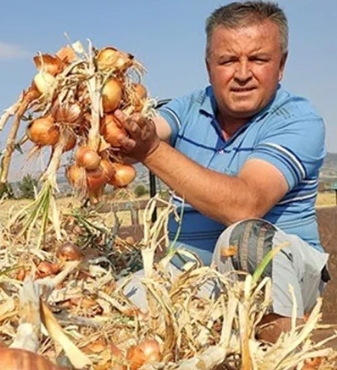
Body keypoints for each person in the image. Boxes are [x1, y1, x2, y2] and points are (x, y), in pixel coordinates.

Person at [113, 0, 330, 344]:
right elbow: (146, 129)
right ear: (209, 66)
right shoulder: (188, 106)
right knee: (112, 304)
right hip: (189, 278)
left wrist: (151, 150)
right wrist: (111, 128)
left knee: (244, 240)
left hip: (279, 274)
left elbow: (244, 205)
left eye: (258, 59)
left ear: (282, 65)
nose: (242, 73)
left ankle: (282, 356)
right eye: (228, 60)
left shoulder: (298, 120)